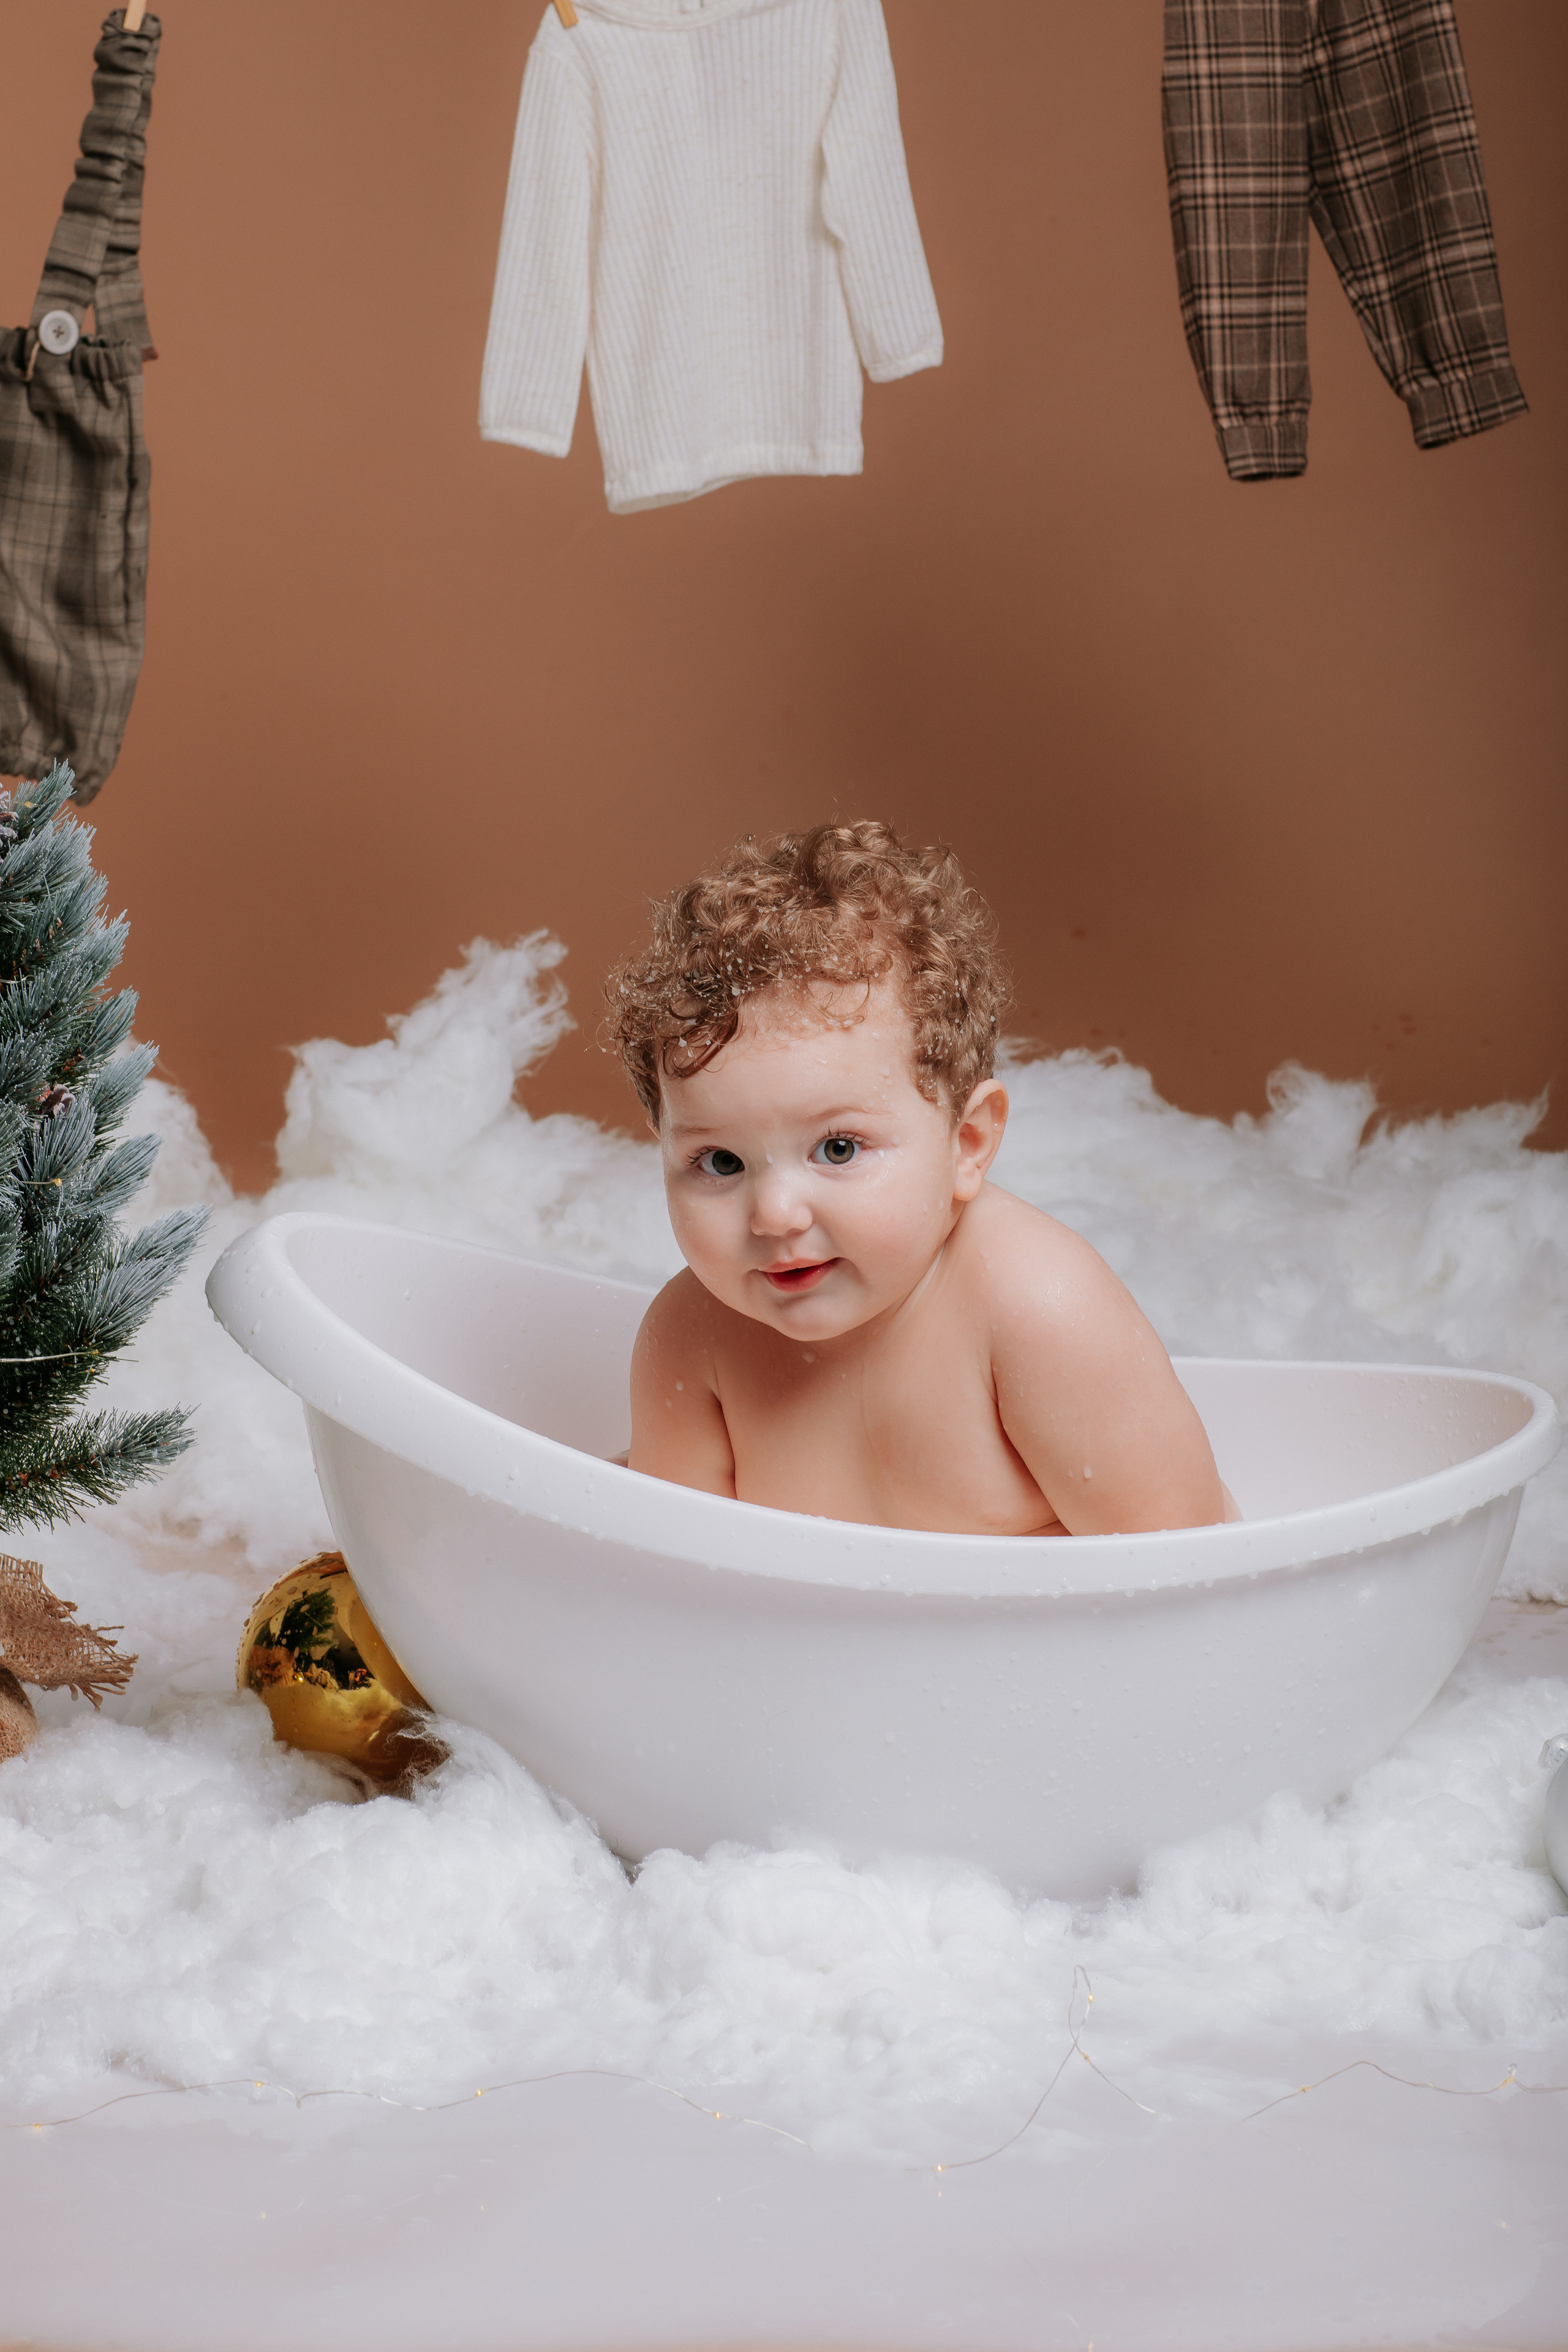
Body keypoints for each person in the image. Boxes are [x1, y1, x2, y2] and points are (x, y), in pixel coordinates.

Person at [608, 821, 1233, 1537]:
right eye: (720, 1162)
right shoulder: (691, 1336)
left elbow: (1181, 1571)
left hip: (1054, 1643)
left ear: (966, 1144)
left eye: (838, 1149)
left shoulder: (1033, 1310)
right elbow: (675, 1574)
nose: (775, 1215)